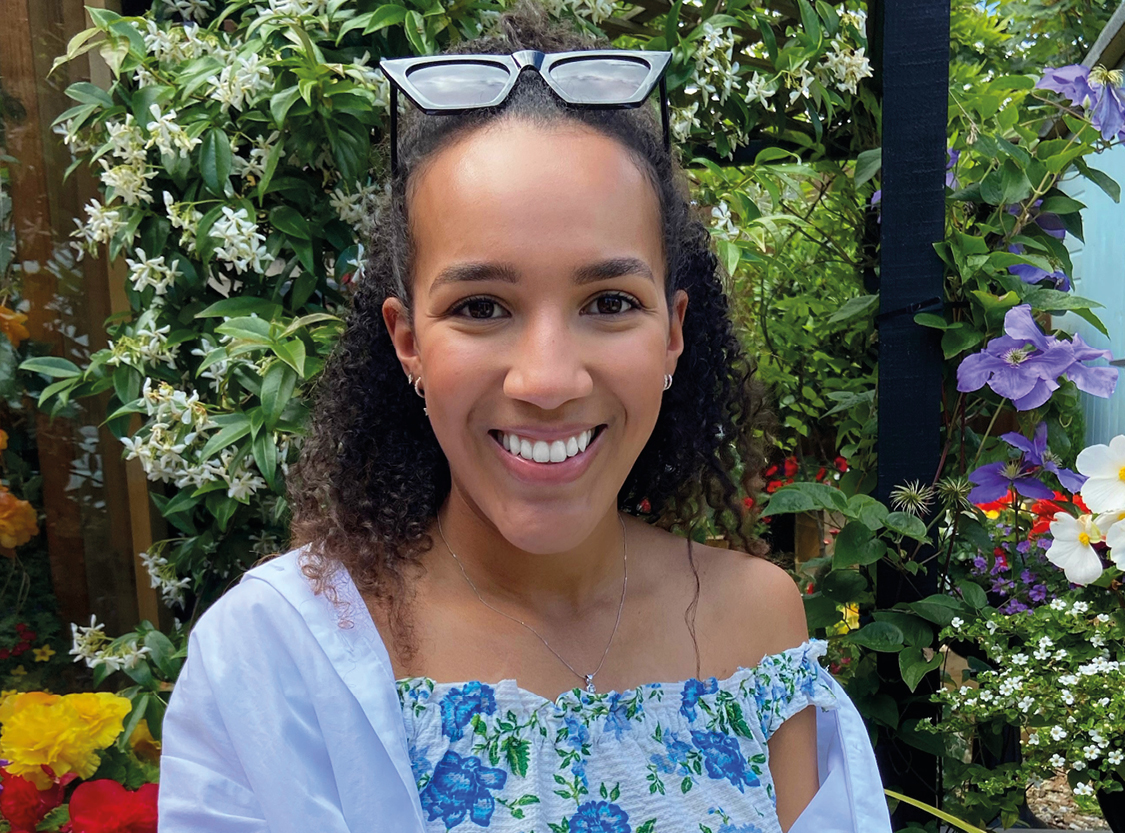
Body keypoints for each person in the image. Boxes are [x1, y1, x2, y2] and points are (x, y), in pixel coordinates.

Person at [157, 5, 892, 832]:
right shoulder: (280, 656)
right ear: (407, 342)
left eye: (609, 301)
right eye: (480, 306)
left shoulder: (758, 621)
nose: (546, 378)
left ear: (672, 335)